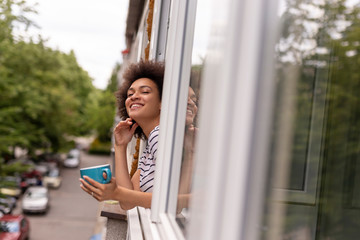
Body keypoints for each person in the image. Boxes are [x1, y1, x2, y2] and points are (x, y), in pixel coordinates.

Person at [79, 60, 164, 210]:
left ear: (162, 103)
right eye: (130, 94)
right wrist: (120, 145)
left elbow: (170, 203)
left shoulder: (160, 136)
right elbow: (127, 202)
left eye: (144, 91)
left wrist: (116, 193)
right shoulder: (151, 144)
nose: (134, 97)